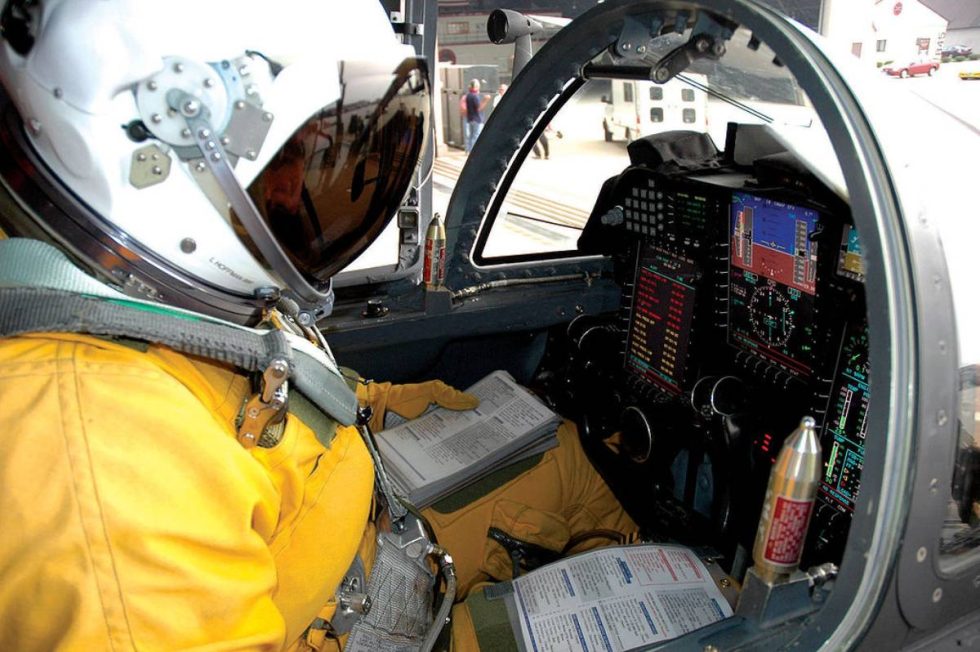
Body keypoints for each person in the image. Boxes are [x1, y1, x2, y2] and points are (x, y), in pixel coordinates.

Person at [0, 2, 634, 650]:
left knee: (564, 452)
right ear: (154, 151)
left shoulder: (166, 291)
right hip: (373, 619)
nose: (309, 199)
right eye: (291, 171)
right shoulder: (101, 474)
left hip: (370, 520)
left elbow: (258, 386)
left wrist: (389, 408)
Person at [462, 78, 490, 153]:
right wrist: (485, 100)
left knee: (471, 136)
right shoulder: (475, 96)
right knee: (476, 136)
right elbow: (479, 108)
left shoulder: (468, 95)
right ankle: (473, 151)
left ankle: (469, 150)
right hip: (477, 119)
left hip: (470, 118)